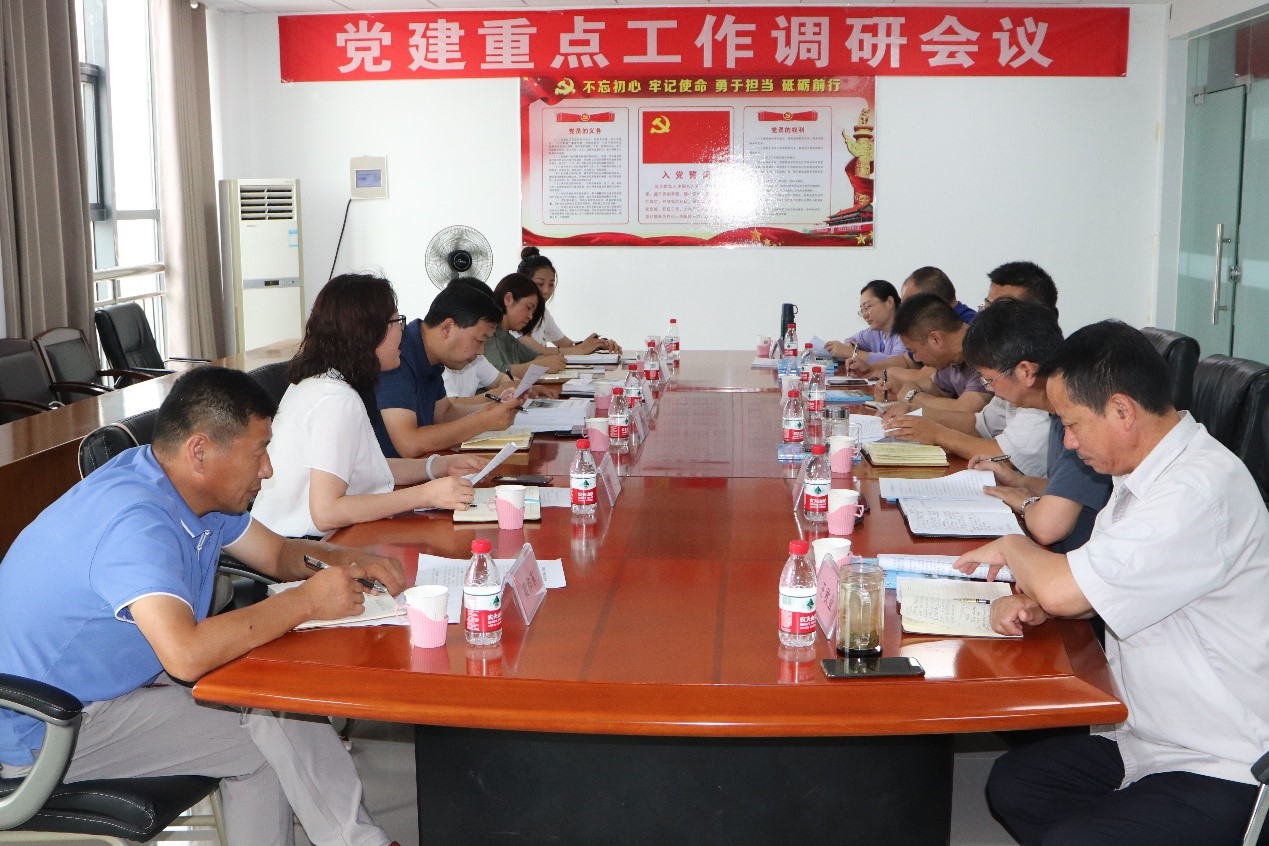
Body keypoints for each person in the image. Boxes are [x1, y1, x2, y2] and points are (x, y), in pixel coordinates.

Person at [0, 366, 408, 846]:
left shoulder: (185, 488)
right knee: (263, 744)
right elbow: (186, 655)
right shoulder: (135, 521)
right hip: (42, 727)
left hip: (109, 685)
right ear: (199, 451)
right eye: (259, 452)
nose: (268, 469)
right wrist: (307, 602)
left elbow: (277, 554)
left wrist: (348, 559)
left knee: (273, 706)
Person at [953, 321, 1269, 846]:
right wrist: (1043, 606)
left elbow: (1067, 587)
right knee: (1017, 786)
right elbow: (1096, 586)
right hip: (1148, 734)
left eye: (1072, 424)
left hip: (1224, 761)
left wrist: (1013, 549)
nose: (1069, 442)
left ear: (1122, 410)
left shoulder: (1196, 490)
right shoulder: (1140, 474)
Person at [252, 274, 487, 538]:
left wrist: (438, 466)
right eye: (396, 322)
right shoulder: (336, 400)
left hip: (301, 538)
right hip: (299, 545)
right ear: (368, 332)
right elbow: (327, 512)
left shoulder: (325, 382)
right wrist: (424, 495)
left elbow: (366, 470)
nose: (402, 331)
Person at [959, 299, 1111, 551]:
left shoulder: (1078, 419)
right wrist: (1017, 480)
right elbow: (1066, 491)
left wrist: (1025, 502)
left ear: (1026, 371)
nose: (991, 390)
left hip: (1072, 561)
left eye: (989, 380)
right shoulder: (1054, 412)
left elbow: (1049, 528)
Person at [885, 261, 1059, 476]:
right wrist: (917, 413)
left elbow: (1004, 454)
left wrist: (937, 433)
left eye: (1001, 308)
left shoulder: (1039, 385)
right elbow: (980, 424)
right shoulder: (1004, 363)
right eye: (987, 306)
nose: (987, 316)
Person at [374, 280, 537, 458]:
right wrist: (484, 421)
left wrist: (494, 407)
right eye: (480, 340)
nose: (481, 351)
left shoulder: (429, 352)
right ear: (447, 328)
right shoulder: (397, 355)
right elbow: (409, 443)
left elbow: (444, 414)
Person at [875, 293, 991, 414]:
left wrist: (912, 397)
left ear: (936, 339)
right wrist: (904, 390)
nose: (916, 358)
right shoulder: (952, 358)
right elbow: (933, 386)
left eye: (914, 351)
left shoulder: (984, 350)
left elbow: (965, 411)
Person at [852, 265, 973, 381]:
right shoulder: (927, 326)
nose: (904, 311)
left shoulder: (966, 329)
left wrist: (885, 373)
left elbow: (931, 377)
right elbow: (908, 360)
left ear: (933, 302)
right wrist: (871, 368)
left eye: (910, 304)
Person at [514, 247, 622, 356]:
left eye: (551, 284)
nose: (546, 290)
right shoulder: (514, 313)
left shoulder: (543, 313)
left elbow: (569, 345)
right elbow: (537, 351)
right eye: (540, 284)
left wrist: (599, 344)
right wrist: (581, 349)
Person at [482, 272, 568, 378]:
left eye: (533, 312)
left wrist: (544, 361)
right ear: (508, 299)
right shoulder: (489, 334)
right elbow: (497, 371)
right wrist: (540, 365)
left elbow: (535, 356)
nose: (530, 316)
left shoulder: (509, 338)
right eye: (528, 307)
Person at [824, 279, 907, 368]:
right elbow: (851, 340)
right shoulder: (876, 332)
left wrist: (852, 352)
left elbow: (898, 363)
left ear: (889, 302)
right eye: (862, 310)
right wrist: (850, 346)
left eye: (868, 307)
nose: (864, 315)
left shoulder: (907, 331)